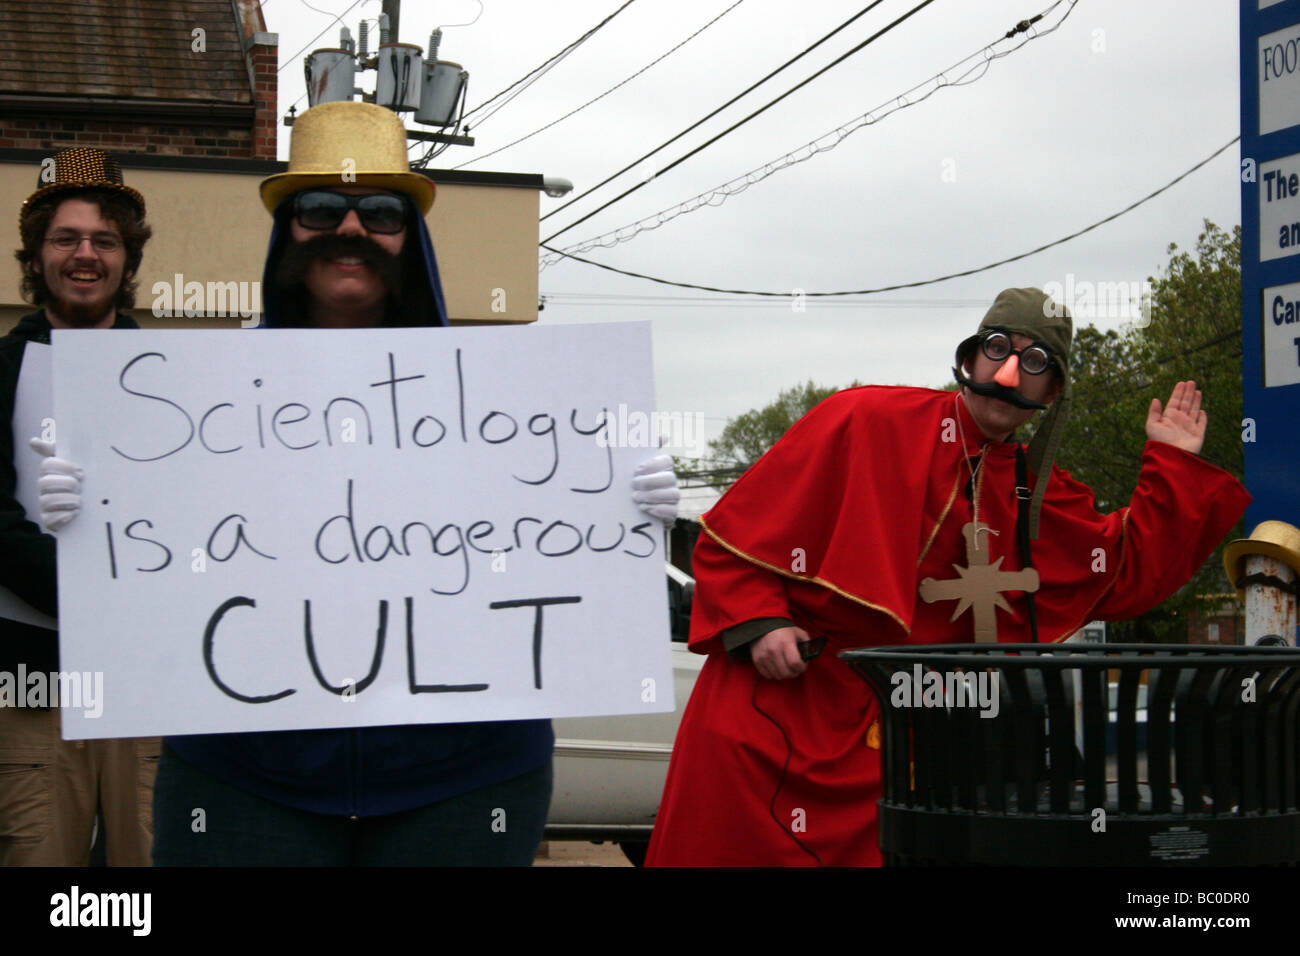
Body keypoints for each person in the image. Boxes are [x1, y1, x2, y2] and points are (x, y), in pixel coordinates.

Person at [39, 102, 679, 865]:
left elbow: (550, 538)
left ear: (412, 237)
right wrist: (90, 509)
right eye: (318, 208)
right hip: (243, 777)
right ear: (286, 231)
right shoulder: (199, 400)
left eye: (381, 212)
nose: (350, 230)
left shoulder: (506, 397)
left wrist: (624, 502)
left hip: (465, 779)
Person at [644, 287, 1251, 866]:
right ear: (970, 357)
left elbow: (1124, 568)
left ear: (1053, 389)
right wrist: (760, 621)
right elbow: (733, 540)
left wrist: (1172, 464)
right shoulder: (863, 420)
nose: (1009, 373)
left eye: (1033, 360)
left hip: (910, 756)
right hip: (784, 712)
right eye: (997, 349)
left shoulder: (1038, 496)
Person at [0, 148, 160, 865]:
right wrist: (78, 581)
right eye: (66, 238)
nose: (85, 255)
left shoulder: (175, 379)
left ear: (128, 258)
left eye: (105, 240)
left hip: (151, 675)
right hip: (34, 679)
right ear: (37, 255)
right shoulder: (2, 371)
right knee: (42, 863)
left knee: (152, 865)